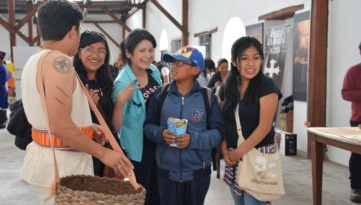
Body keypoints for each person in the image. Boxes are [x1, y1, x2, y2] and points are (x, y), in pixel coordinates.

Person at [20, 1, 133, 204]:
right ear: (73, 31)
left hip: (47, 159)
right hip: (63, 167)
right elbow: (59, 126)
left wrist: (87, 127)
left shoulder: (34, 60)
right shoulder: (60, 62)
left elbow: (49, 119)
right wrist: (104, 153)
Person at [144, 46, 224, 205]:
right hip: (166, 172)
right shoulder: (160, 95)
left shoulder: (208, 97)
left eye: (180, 63)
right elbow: (148, 127)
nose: (173, 66)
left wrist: (192, 139)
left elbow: (218, 133)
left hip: (197, 173)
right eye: (173, 62)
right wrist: (160, 134)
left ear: (195, 70)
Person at [219, 36, 281, 205]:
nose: (251, 64)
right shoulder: (227, 86)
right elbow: (222, 122)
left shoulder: (267, 85)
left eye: (256, 58)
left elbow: (264, 127)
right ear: (234, 61)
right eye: (244, 58)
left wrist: (239, 152)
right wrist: (225, 152)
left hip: (258, 158)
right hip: (233, 158)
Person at [112, 29, 163, 205]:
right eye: (142, 50)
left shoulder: (154, 71)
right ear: (129, 53)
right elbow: (116, 127)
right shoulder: (122, 83)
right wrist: (119, 102)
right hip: (138, 150)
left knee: (158, 193)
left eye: (150, 50)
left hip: (158, 142)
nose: (147, 55)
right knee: (141, 196)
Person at [73, 30, 117, 177]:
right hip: (81, 152)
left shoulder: (108, 83)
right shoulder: (72, 81)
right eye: (89, 49)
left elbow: (113, 123)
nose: (95, 55)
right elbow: (63, 121)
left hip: (107, 150)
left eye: (101, 51)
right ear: (79, 53)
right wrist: (86, 105)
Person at [341, 41, 361, 204]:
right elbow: (345, 93)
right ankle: (356, 188)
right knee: (357, 153)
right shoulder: (353, 71)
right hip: (359, 119)